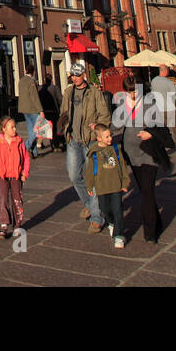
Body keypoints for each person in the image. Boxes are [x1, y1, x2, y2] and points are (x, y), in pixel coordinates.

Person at [57, 60, 112, 231]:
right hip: (73, 140)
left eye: (77, 75)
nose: (74, 78)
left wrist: (97, 127)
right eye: (72, 75)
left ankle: (97, 217)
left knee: (93, 179)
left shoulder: (94, 92)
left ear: (83, 75)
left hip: (90, 141)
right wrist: (62, 126)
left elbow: (105, 115)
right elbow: (64, 112)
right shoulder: (68, 92)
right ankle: (89, 203)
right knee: (74, 176)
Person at [117, 83, 173, 243]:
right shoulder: (122, 105)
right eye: (129, 91)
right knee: (144, 191)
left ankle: (150, 233)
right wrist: (99, 128)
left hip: (149, 153)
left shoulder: (149, 104)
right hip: (132, 154)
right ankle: (157, 222)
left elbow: (161, 126)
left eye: (134, 91)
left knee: (147, 191)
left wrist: (150, 132)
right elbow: (116, 125)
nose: (132, 94)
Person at [85, 123, 129, 249]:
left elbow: (122, 166)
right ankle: (111, 223)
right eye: (107, 137)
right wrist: (89, 185)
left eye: (110, 136)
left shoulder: (115, 149)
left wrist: (125, 182)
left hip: (116, 185)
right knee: (105, 208)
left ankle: (119, 236)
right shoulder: (94, 153)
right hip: (101, 186)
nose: (110, 138)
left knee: (118, 210)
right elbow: (90, 171)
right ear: (99, 138)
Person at [0, 116, 31, 238]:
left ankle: (17, 224)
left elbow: (26, 158)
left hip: (16, 175)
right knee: (3, 199)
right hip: (3, 175)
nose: (14, 129)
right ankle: (4, 224)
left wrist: (24, 173)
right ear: (4, 129)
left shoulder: (19, 141)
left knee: (17, 200)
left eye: (15, 126)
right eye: (11, 127)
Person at [150, 63, 176, 157]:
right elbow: (174, 96)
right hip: (171, 108)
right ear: (165, 71)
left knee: (161, 130)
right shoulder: (169, 82)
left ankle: (160, 150)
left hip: (160, 109)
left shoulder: (154, 81)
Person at [17, 65, 43, 159]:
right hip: (32, 108)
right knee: (37, 129)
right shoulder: (31, 81)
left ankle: (34, 152)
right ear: (33, 71)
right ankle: (25, 146)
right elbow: (34, 97)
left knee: (30, 130)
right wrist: (40, 110)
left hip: (23, 108)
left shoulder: (21, 80)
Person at [39, 74, 64, 152]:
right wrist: (61, 108)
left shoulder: (40, 88)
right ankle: (55, 145)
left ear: (44, 80)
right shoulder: (55, 88)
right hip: (53, 110)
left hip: (44, 111)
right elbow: (60, 99)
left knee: (45, 128)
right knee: (54, 128)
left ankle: (40, 142)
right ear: (51, 79)